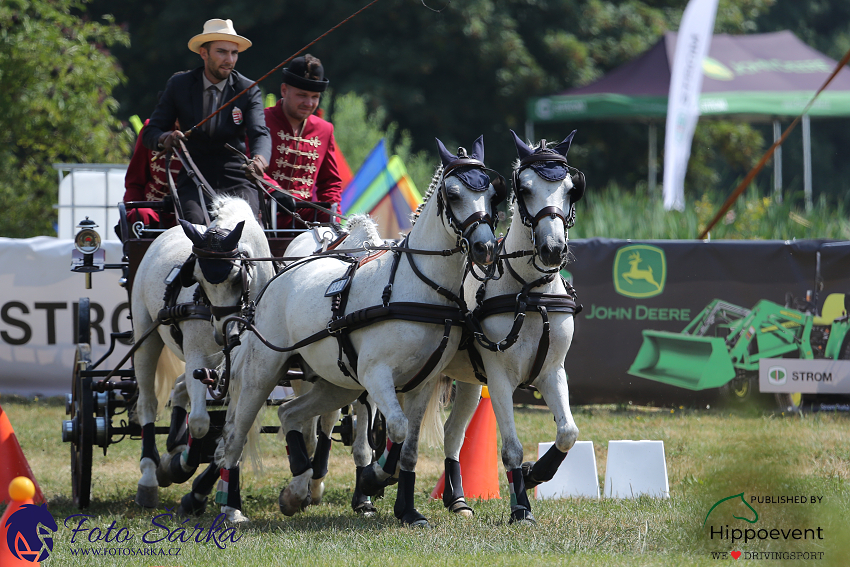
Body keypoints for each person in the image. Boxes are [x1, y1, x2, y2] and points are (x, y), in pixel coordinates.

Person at [142, 19, 275, 224]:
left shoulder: (248, 89)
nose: (229, 59)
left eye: (234, 53)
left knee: (246, 227)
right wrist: (165, 138)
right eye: (222, 52)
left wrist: (260, 160)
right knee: (194, 227)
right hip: (194, 179)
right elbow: (151, 132)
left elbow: (260, 133)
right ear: (204, 53)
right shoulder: (179, 85)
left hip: (238, 179)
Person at [264, 54, 342, 227]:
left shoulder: (325, 129)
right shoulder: (261, 120)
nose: (309, 103)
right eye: (302, 95)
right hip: (262, 218)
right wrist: (273, 191)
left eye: (315, 97)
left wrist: (333, 221)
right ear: (284, 90)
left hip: (305, 224)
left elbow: (330, 183)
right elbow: (248, 165)